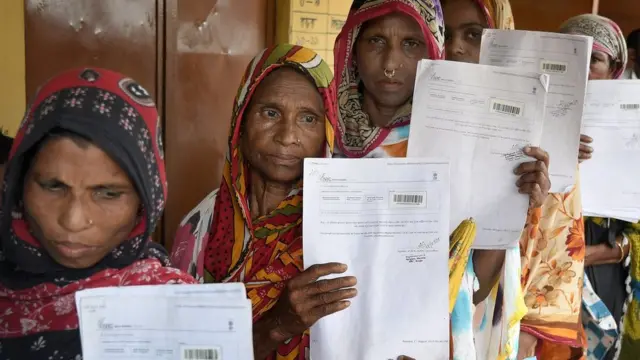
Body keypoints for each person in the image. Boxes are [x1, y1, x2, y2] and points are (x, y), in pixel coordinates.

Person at [334, 0, 549, 359]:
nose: (390, 65)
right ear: (352, 48)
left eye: (411, 43)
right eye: (374, 41)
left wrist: (511, 206)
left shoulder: (464, 142)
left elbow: (477, 290)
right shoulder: (318, 136)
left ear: (433, 50)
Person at [171, 44, 402, 360]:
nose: (286, 136)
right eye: (270, 113)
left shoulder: (351, 226)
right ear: (241, 119)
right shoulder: (201, 227)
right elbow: (179, 350)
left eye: (308, 118)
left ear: (327, 130)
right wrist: (276, 326)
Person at [0, 68, 196, 359]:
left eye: (108, 193)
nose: (74, 221)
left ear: (145, 202)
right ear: (19, 185)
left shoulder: (176, 307)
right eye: (53, 186)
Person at [560, 14, 640, 360]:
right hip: (539, 277)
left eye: (594, 58)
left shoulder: (634, 128)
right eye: (571, 53)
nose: (582, 66)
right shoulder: (528, 119)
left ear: (614, 69)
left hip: (603, 269)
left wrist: (599, 254)